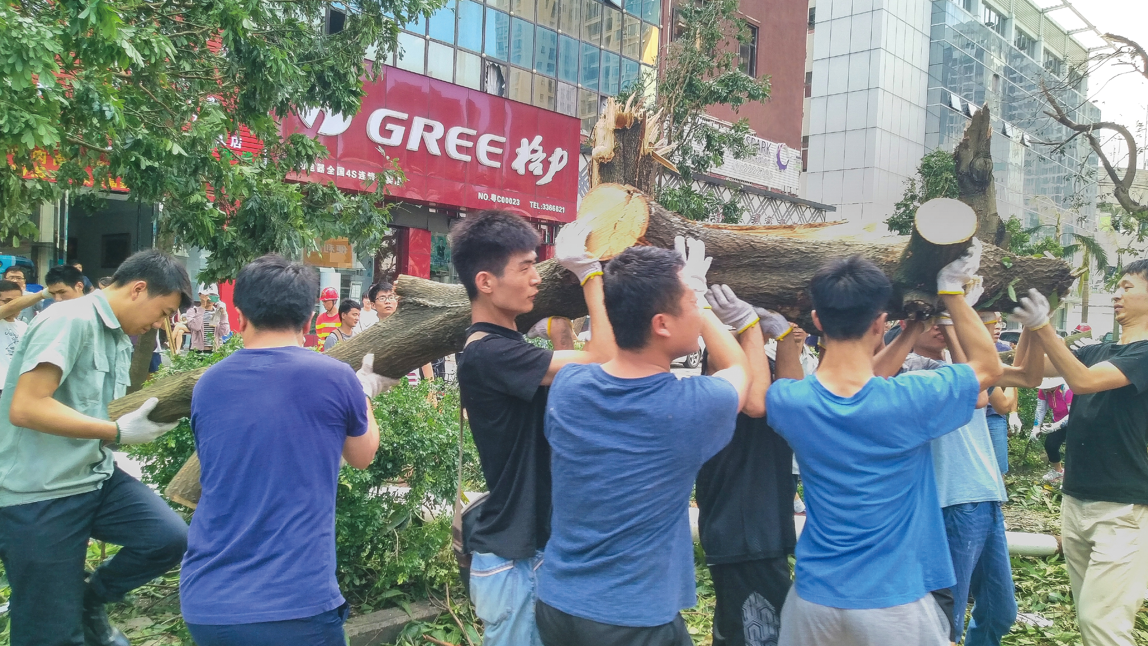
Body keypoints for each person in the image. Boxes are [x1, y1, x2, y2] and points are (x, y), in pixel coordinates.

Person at [766, 244, 1002, 646]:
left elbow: (844, 385)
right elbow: (988, 368)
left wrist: (782, 335)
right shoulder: (910, 399)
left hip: (813, 599)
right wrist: (952, 293)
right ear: (880, 323)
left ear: (817, 320)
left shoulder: (789, 402)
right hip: (893, 602)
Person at [537, 242, 757, 646]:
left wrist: (688, 294)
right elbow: (739, 368)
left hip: (557, 604)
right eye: (690, 303)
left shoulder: (569, 387)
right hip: (631, 619)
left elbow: (603, 359)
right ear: (661, 324)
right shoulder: (690, 407)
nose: (696, 310)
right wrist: (710, 305)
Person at [179, 255, 390, 646]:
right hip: (296, 604)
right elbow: (362, 456)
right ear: (309, 320)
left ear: (240, 316)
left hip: (208, 603)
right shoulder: (336, 377)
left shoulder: (209, 384)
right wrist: (363, 393)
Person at [0, 249, 193, 646]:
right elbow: (26, 407)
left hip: (95, 476)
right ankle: (68, 612)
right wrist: (116, 431)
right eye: (163, 311)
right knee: (51, 635)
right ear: (138, 289)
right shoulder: (68, 320)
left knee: (168, 538)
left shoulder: (118, 336)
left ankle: (88, 599)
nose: (160, 323)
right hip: (40, 492)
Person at [450, 210, 618, 646]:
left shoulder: (507, 345)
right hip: (515, 562)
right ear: (486, 281)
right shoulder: (489, 354)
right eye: (525, 267)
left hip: (528, 550)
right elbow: (603, 358)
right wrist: (590, 275)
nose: (536, 278)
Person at [886, 309, 1043, 645]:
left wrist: (1034, 324)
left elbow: (1028, 377)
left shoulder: (960, 364)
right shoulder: (907, 370)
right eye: (931, 318)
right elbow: (977, 396)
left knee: (1001, 612)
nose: (939, 326)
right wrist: (951, 324)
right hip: (952, 499)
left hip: (986, 494)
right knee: (948, 620)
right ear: (906, 322)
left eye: (943, 318)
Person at [1022, 260, 1148, 646]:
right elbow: (1028, 372)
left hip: (1122, 510)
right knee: (1089, 618)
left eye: (1127, 287)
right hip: (1075, 499)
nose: (1116, 294)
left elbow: (1083, 381)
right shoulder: (1098, 350)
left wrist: (1044, 325)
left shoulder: (1145, 354)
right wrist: (1032, 322)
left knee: (1102, 623)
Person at [696, 310, 798, 646]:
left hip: (761, 531)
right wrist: (749, 326)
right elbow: (755, 401)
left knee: (756, 631)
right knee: (755, 635)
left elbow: (793, 397)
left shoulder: (761, 372)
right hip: (740, 532)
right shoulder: (718, 381)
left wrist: (784, 339)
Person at [981, 312, 1019, 475]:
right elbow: (1017, 380)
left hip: (994, 414)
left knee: (999, 468)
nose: (997, 327)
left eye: (1000, 323)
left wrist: (1014, 413)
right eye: (993, 322)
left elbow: (1015, 382)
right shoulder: (968, 351)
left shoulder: (1005, 350)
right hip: (974, 415)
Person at [0, 280, 48, 394]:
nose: (16, 306)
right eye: (7, 301)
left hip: (19, 388)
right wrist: (44, 293)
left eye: (19, 301)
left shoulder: (24, 326)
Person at [1029, 377, 1073, 484]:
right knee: (1050, 445)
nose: (1045, 389)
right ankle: (1058, 471)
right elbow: (1041, 409)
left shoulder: (1066, 389)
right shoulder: (1043, 391)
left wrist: (1056, 426)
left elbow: (1072, 413)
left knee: (1074, 448)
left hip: (1073, 421)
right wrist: (1036, 427)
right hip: (1056, 420)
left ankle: (1073, 476)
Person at [185, 284, 230, 352]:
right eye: (206, 295)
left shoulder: (218, 312)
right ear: (200, 295)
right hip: (198, 351)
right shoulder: (193, 311)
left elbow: (224, 332)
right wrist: (203, 306)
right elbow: (196, 327)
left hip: (215, 351)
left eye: (212, 295)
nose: (209, 299)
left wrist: (224, 314)